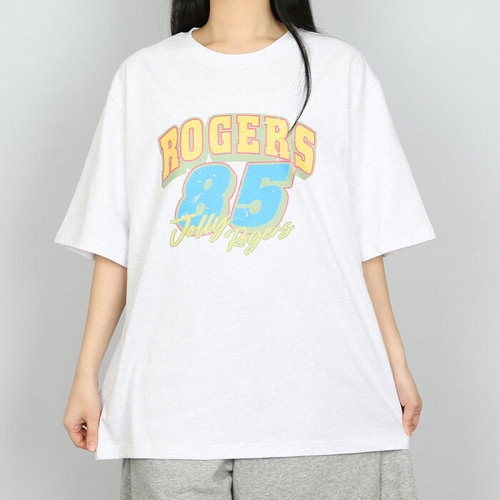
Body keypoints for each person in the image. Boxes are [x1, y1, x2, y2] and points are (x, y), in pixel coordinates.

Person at [54, 0, 436, 498]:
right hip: (171, 403)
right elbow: (115, 243)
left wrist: (396, 363)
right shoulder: (145, 75)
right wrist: (86, 374)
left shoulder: (340, 69)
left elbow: (366, 243)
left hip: (321, 400)